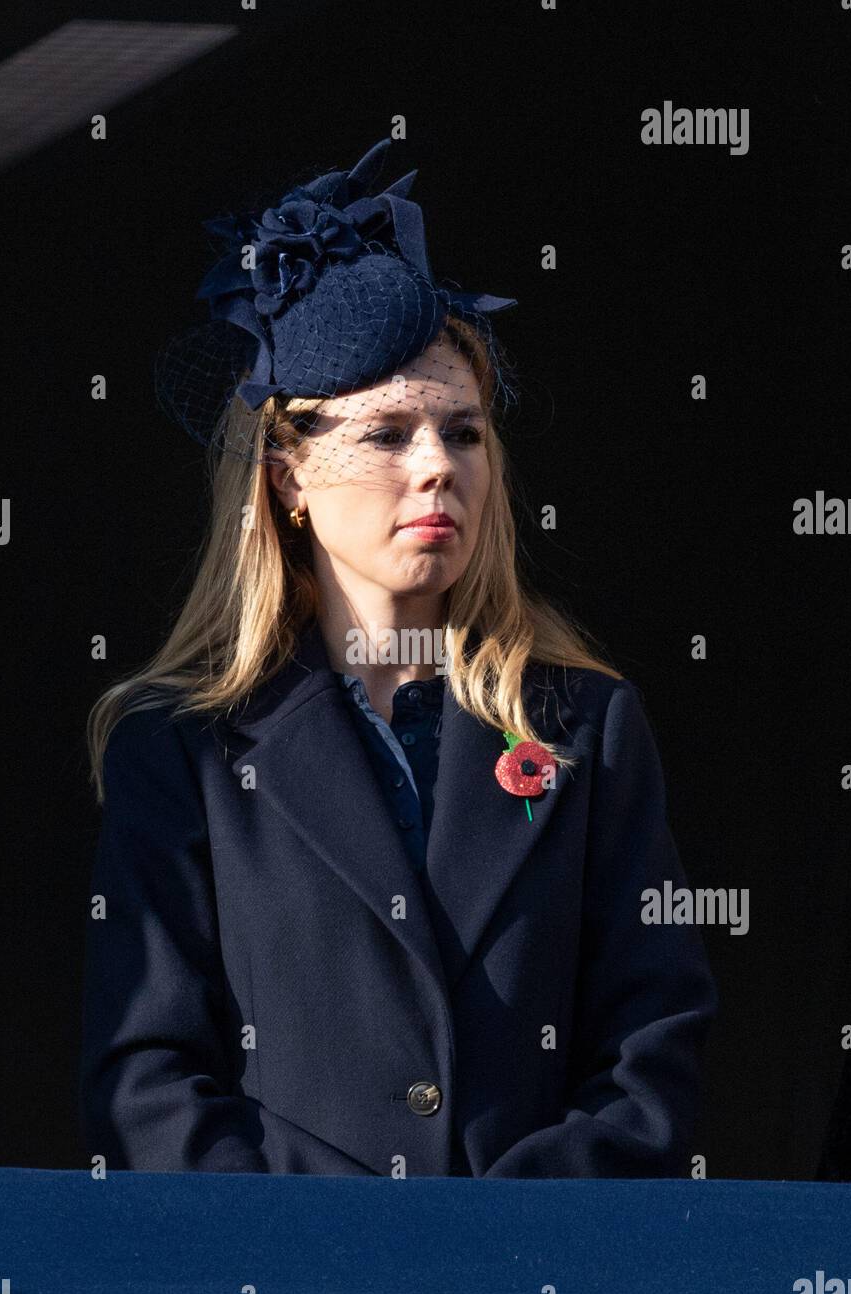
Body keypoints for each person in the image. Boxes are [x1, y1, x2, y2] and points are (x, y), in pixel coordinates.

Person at [79, 136, 718, 1178]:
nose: (435, 467)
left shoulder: (583, 722)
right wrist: (328, 1254)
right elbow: (143, 1076)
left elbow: (652, 1041)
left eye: (462, 433)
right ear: (287, 476)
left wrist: (496, 1246)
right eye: (387, 435)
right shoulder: (184, 745)